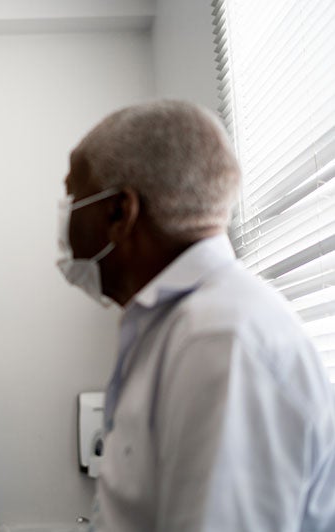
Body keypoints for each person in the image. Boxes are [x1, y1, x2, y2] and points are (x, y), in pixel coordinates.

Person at [58, 101, 335, 531]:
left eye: (73, 197)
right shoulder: (173, 326)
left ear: (119, 213)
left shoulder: (220, 338)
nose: (65, 219)